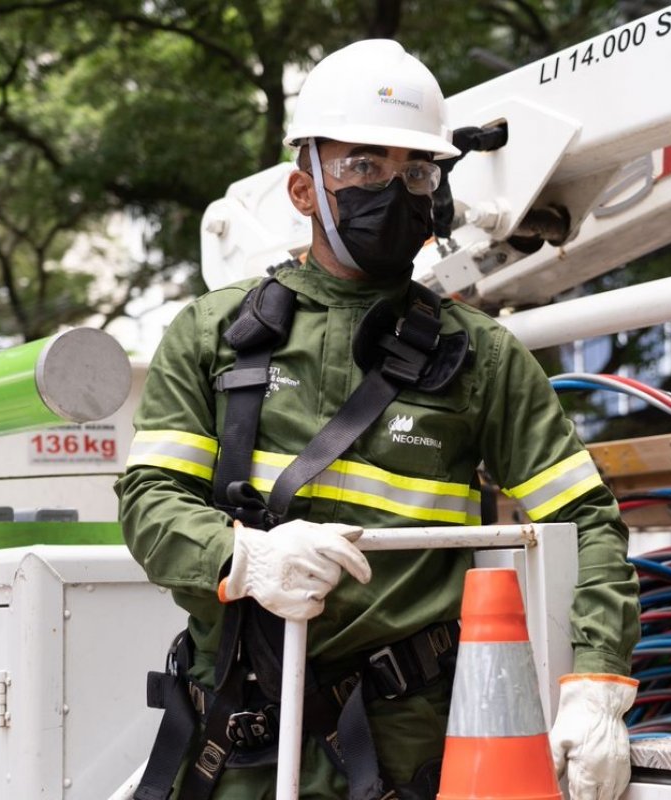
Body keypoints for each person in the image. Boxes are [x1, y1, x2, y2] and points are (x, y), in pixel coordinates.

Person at [116, 38, 640, 800]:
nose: (393, 190)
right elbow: (150, 503)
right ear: (303, 191)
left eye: (415, 171)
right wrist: (243, 559)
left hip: (405, 755)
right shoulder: (213, 333)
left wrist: (596, 686)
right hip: (238, 747)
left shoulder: (480, 356)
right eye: (362, 166)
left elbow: (586, 518)